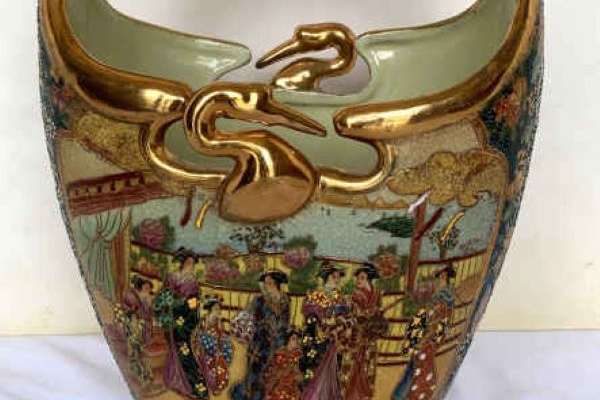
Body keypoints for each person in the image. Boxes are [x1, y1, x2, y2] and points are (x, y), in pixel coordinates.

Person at [232, 270, 291, 400]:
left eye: (269, 283)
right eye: (265, 283)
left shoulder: (285, 301)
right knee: (256, 372)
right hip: (260, 342)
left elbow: (285, 322)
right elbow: (247, 317)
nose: (266, 286)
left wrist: (282, 337)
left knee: (274, 372)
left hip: (278, 342)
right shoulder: (259, 300)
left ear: (276, 284)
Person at [300, 262, 354, 400]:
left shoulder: (340, 297)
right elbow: (310, 318)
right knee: (316, 369)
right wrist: (323, 326)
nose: (337, 280)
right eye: (333, 277)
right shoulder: (315, 295)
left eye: (338, 277)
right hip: (318, 340)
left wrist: (344, 326)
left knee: (334, 372)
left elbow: (347, 317)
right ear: (326, 278)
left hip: (335, 340)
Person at [162, 247, 208, 399]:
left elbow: (194, 302)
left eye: (193, 263)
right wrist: (173, 304)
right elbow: (165, 296)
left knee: (185, 350)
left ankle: (194, 386)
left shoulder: (193, 282)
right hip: (173, 317)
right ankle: (177, 380)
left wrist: (188, 307)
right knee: (177, 348)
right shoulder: (172, 277)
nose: (191, 266)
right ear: (183, 263)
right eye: (189, 263)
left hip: (186, 320)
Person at [343, 263, 388, 400]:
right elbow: (353, 314)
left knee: (367, 361)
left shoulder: (376, 293)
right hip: (357, 333)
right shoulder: (355, 295)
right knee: (354, 361)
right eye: (358, 278)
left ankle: (365, 393)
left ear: (369, 279)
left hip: (370, 334)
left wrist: (377, 314)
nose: (358, 280)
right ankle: (350, 394)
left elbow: (378, 312)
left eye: (362, 278)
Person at [195, 295, 233, 395]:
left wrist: (221, 338)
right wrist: (207, 339)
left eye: (218, 308)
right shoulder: (205, 319)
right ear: (210, 309)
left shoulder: (218, 320)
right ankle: (210, 385)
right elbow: (200, 333)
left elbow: (221, 332)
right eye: (216, 308)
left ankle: (218, 385)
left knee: (224, 354)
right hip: (206, 343)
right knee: (210, 363)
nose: (218, 310)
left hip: (216, 343)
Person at [263, 329, 304, 400]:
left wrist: (297, 375)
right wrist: (293, 375)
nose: (296, 341)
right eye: (293, 339)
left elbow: (298, 374)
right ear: (288, 340)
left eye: (297, 339)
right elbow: (277, 373)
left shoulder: (295, 355)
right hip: (279, 388)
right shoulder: (281, 353)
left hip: (290, 389)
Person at [123, 277, 155, 344]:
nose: (146, 288)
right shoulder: (133, 294)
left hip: (145, 316)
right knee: (138, 326)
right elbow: (133, 306)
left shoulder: (149, 297)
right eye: (145, 286)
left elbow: (149, 309)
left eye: (148, 288)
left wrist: (149, 304)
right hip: (137, 315)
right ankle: (138, 340)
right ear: (142, 286)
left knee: (146, 325)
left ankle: (145, 341)